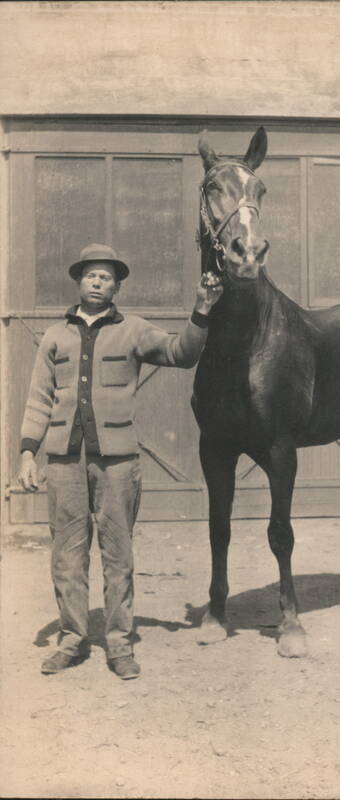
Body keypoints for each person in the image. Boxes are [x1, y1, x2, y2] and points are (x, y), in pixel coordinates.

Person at [18, 243, 223, 680]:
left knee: (118, 553)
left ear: (117, 287)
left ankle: (118, 643)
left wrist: (202, 311)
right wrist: (26, 455)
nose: (98, 282)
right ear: (79, 281)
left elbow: (181, 353)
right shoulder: (55, 336)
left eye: (106, 277)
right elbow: (38, 400)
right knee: (66, 555)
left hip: (117, 465)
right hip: (63, 462)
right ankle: (72, 639)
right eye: (91, 275)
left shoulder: (133, 330)